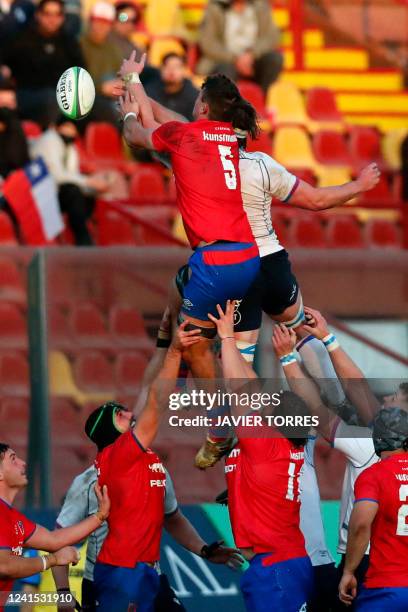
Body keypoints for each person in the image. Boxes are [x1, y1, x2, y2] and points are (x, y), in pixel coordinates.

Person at [119, 57, 261, 379]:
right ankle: (250, 418)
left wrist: (128, 109)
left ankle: (219, 422)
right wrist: (134, 81)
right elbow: (169, 121)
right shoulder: (228, 137)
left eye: (198, 97)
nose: (193, 102)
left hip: (215, 263)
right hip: (248, 257)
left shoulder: (185, 137)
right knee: (181, 296)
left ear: (204, 107)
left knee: (195, 348)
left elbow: (134, 133)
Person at [84, 324, 242, 611]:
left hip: (148, 571)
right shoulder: (118, 456)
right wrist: (175, 352)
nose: (130, 413)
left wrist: (204, 549)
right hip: (122, 571)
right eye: (121, 415)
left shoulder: (147, 459)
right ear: (110, 431)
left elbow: (173, 518)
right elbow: (155, 402)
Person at [272, 309, 408, 610]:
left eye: (394, 399)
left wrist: (286, 359)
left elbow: (319, 413)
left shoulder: (369, 447)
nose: (386, 400)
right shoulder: (393, 436)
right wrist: (327, 339)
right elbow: (359, 389)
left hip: (367, 561)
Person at [205, 300, 313, 612]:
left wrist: (227, 338)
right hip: (285, 561)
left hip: (275, 568)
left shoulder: (262, 441)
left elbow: (240, 391)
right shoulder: (286, 442)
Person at [0, 443, 110, 608]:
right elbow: (4, 565)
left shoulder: (13, 518)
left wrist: (100, 516)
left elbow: (53, 539)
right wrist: (52, 560)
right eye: (13, 459)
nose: (23, 463)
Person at [339, 408, 408, 610]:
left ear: (378, 440)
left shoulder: (374, 475)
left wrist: (348, 571)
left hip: (387, 589)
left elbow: (361, 524)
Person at [2, 0, 84, 128]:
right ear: (38, 15)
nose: (52, 19)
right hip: (27, 96)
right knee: (52, 99)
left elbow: (81, 74)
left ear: (62, 18)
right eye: (47, 14)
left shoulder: (69, 43)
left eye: (57, 14)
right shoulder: (21, 39)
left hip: (62, 98)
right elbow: (4, 65)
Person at [30, 115, 111, 245]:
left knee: (85, 196)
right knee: (73, 192)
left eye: (73, 129)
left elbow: (72, 174)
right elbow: (57, 175)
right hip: (40, 194)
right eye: (66, 127)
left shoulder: (70, 147)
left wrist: (94, 187)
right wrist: (89, 181)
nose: (70, 132)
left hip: (56, 193)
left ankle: (88, 238)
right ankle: (82, 239)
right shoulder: (49, 140)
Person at [197, 0, 283, 93]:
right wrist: (235, 59)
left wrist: (252, 54)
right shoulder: (215, 7)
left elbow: (271, 37)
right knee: (225, 71)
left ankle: (262, 98)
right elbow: (208, 43)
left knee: (274, 59)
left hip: (254, 57)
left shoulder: (261, 5)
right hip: (225, 59)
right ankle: (228, 105)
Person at [80, 2, 123, 126]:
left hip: (112, 98)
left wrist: (120, 85)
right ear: (90, 22)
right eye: (97, 21)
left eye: (105, 23)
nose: (101, 27)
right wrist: (101, 87)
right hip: (88, 99)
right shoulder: (79, 46)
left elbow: (122, 75)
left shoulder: (113, 49)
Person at [109, 2, 159, 87]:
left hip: (133, 83)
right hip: (115, 84)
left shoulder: (133, 45)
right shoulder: (105, 40)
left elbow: (146, 66)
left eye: (133, 20)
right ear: (114, 19)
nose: (129, 24)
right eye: (123, 18)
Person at [145, 54, 198, 122]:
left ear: (184, 70)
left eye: (176, 67)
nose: (171, 70)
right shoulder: (150, 86)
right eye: (167, 66)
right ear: (161, 69)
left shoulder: (194, 97)